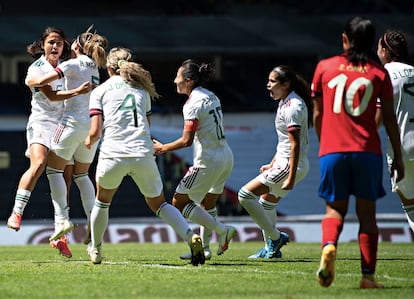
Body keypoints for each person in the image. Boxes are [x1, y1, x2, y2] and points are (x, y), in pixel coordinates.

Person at [84, 47, 205, 266]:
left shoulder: (100, 91)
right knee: (160, 204)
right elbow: (146, 126)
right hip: (142, 152)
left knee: (102, 202)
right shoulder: (142, 91)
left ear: (109, 68)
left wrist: (88, 141)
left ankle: (96, 249)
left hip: (114, 153)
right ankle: (190, 236)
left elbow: (94, 132)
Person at [311, 16, 404, 289]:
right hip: (367, 152)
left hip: (333, 151)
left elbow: (317, 113)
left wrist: (324, 142)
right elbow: (388, 120)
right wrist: (398, 156)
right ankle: (367, 276)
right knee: (367, 216)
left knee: (334, 210)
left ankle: (329, 246)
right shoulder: (378, 73)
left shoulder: (324, 68)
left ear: (345, 39)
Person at [6, 27, 91, 258]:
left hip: (64, 125)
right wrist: (77, 92)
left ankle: (59, 235)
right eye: (51, 42)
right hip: (42, 123)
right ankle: (17, 212)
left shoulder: (66, 66)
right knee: (39, 163)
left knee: (66, 179)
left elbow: (83, 64)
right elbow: (52, 96)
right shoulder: (37, 68)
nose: (55, 47)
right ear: (43, 45)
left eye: (59, 43)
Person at [26, 26, 107, 244]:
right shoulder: (95, 67)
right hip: (92, 125)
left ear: (76, 46)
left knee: (53, 170)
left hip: (71, 123)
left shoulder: (71, 64)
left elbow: (42, 82)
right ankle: (93, 223)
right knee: (81, 176)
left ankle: (62, 220)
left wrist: (31, 80)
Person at [153, 59, 237, 260]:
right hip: (225, 156)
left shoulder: (192, 104)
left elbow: (186, 141)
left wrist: (163, 148)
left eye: (178, 77)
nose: (175, 81)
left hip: (208, 161)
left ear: (189, 80)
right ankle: (205, 249)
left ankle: (221, 229)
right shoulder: (211, 96)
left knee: (179, 202)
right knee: (208, 204)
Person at [237, 65, 312, 259]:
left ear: (285, 84)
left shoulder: (293, 106)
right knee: (266, 203)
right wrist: (272, 164)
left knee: (244, 195)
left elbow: (295, 146)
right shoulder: (285, 102)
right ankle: (271, 248)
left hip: (290, 165)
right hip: (285, 162)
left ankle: (275, 237)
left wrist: (291, 176)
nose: (268, 85)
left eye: (272, 81)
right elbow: (284, 142)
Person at [376, 30, 414, 234]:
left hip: (403, 150)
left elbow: (377, 120)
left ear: (384, 51)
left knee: (410, 204)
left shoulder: (384, 76)